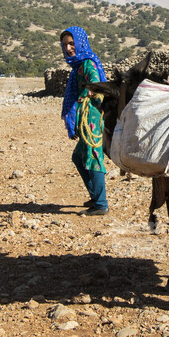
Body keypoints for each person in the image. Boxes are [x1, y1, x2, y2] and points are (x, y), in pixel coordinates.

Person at [60, 26, 109, 215]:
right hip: (86, 117)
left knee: (93, 157)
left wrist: (91, 88)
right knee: (78, 157)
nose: (69, 48)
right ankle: (96, 196)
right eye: (65, 45)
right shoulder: (77, 66)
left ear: (81, 42)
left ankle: (101, 204)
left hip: (92, 117)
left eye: (72, 43)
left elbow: (95, 80)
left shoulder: (87, 62)